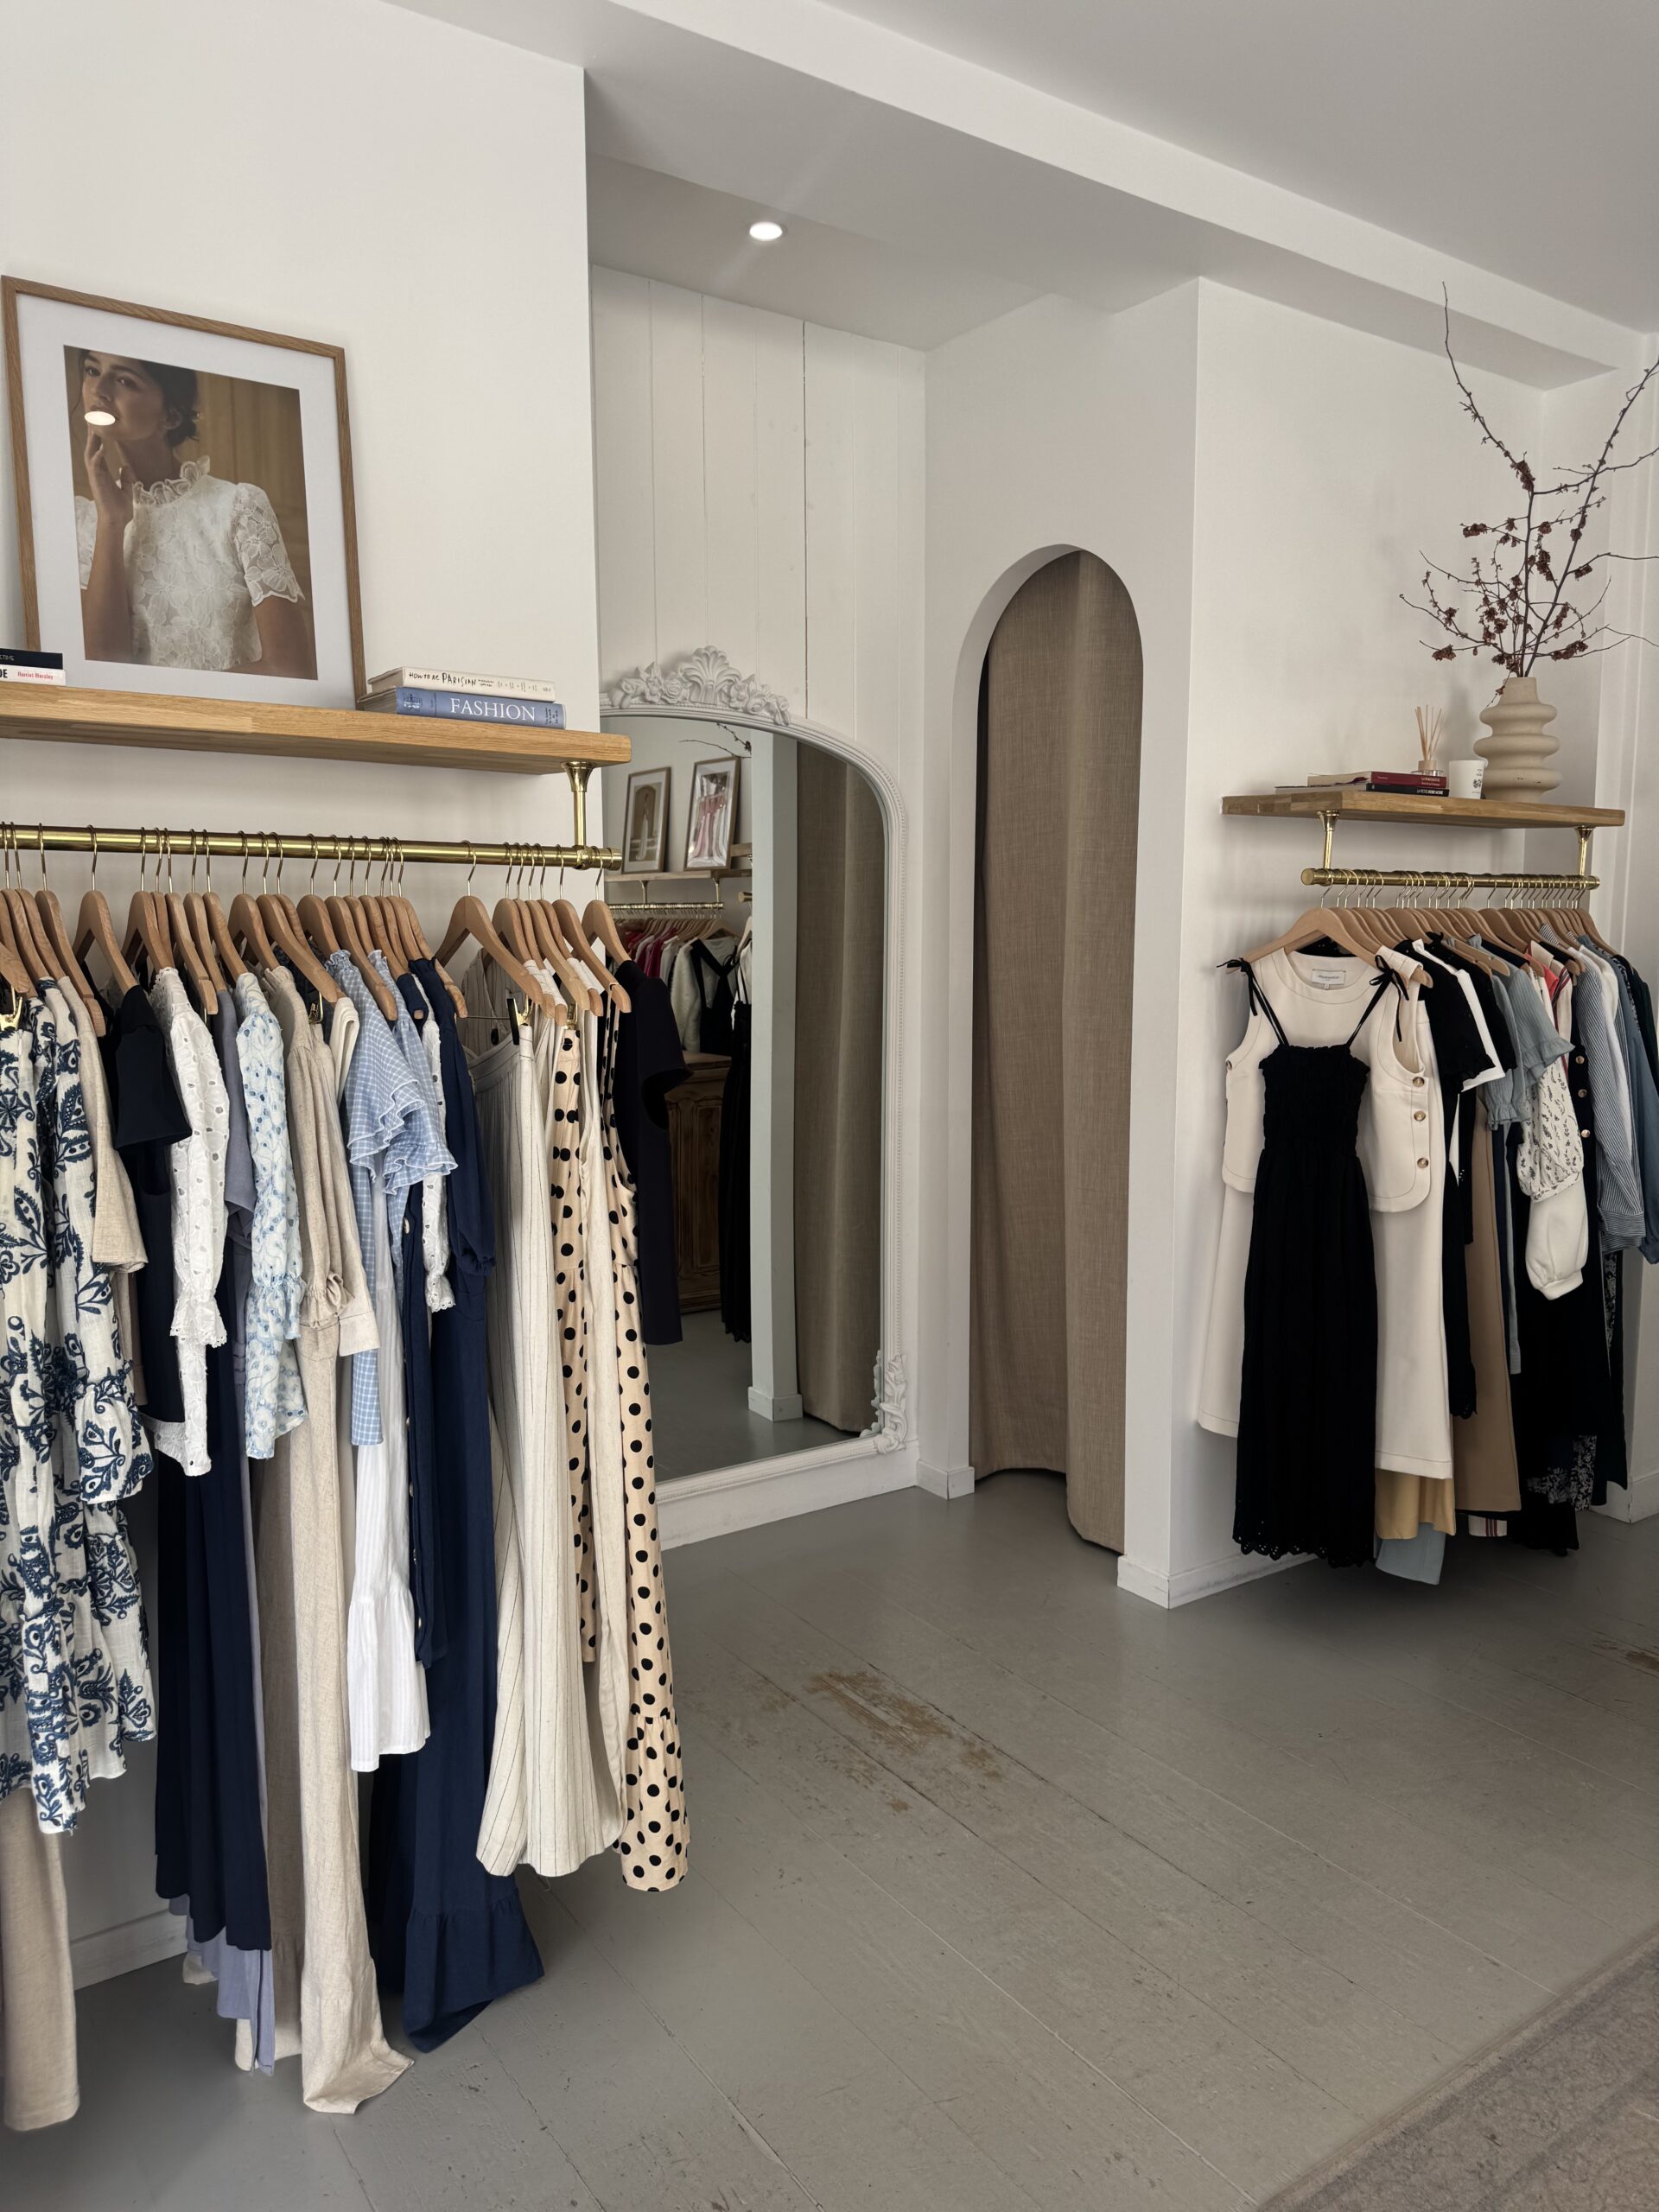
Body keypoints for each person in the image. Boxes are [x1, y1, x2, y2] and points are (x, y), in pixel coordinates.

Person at [75, 351, 314, 676]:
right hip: (128, 728)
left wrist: (178, 708)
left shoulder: (239, 506)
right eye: (92, 369)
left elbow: (290, 668)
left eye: (123, 380)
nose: (98, 389)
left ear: (171, 416)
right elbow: (102, 672)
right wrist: (112, 522)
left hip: (232, 725)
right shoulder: (86, 522)